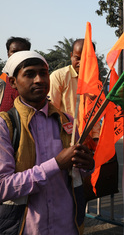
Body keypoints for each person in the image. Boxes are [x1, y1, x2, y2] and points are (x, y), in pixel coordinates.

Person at [0, 51, 94, 234]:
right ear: (13, 82)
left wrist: (88, 165)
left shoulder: (67, 120)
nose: (39, 80)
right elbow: (3, 187)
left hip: (68, 225)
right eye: (29, 74)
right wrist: (56, 164)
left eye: (43, 73)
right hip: (26, 227)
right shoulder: (6, 125)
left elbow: (77, 173)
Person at [48, 39, 101, 140]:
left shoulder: (96, 80)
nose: (81, 63)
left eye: (86, 59)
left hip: (88, 139)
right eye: (77, 58)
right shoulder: (59, 76)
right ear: (71, 55)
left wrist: (95, 137)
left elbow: (96, 111)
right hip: (65, 137)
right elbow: (52, 110)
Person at [0, 37, 31, 111]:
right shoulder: (2, 78)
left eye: (22, 52)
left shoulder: (35, 78)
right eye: (14, 51)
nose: (18, 55)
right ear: (8, 54)